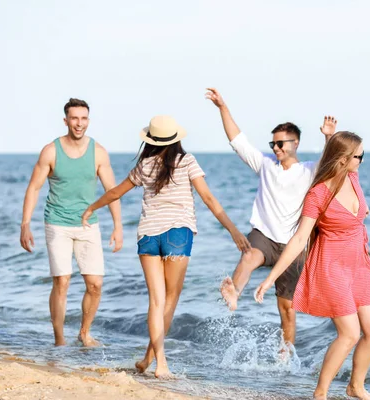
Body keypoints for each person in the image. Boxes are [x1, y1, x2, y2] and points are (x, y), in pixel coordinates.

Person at [82, 115, 250, 378]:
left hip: (148, 236)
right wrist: (233, 230)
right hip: (177, 235)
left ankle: (151, 359)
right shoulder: (187, 161)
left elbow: (115, 192)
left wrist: (92, 207)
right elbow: (208, 198)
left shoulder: (144, 165)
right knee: (169, 300)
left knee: (156, 302)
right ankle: (161, 366)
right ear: (176, 139)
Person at [255, 131, 370, 400]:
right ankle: (320, 393)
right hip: (331, 267)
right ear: (343, 159)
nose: (362, 160)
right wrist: (270, 279)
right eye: (359, 156)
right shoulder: (317, 194)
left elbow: (359, 211)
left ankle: (355, 387)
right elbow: (300, 238)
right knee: (349, 334)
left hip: (360, 265)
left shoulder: (353, 178)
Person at [205, 87, 336, 347]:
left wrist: (329, 138)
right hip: (264, 235)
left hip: (294, 246)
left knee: (287, 309)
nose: (275, 148)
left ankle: (285, 358)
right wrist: (223, 108)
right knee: (250, 255)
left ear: (295, 143)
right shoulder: (265, 165)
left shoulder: (309, 171)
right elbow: (238, 141)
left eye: (280, 143)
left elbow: (330, 162)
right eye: (272, 144)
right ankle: (235, 292)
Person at [20, 98, 122, 347]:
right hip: (57, 223)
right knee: (62, 281)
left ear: (88, 120)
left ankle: (84, 333)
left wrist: (118, 226)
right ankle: (59, 339)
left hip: (89, 225)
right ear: (66, 120)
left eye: (84, 118)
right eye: (74, 118)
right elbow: (34, 188)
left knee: (95, 285)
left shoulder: (98, 152)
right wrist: (25, 224)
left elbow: (112, 191)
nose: (79, 123)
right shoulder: (51, 151)